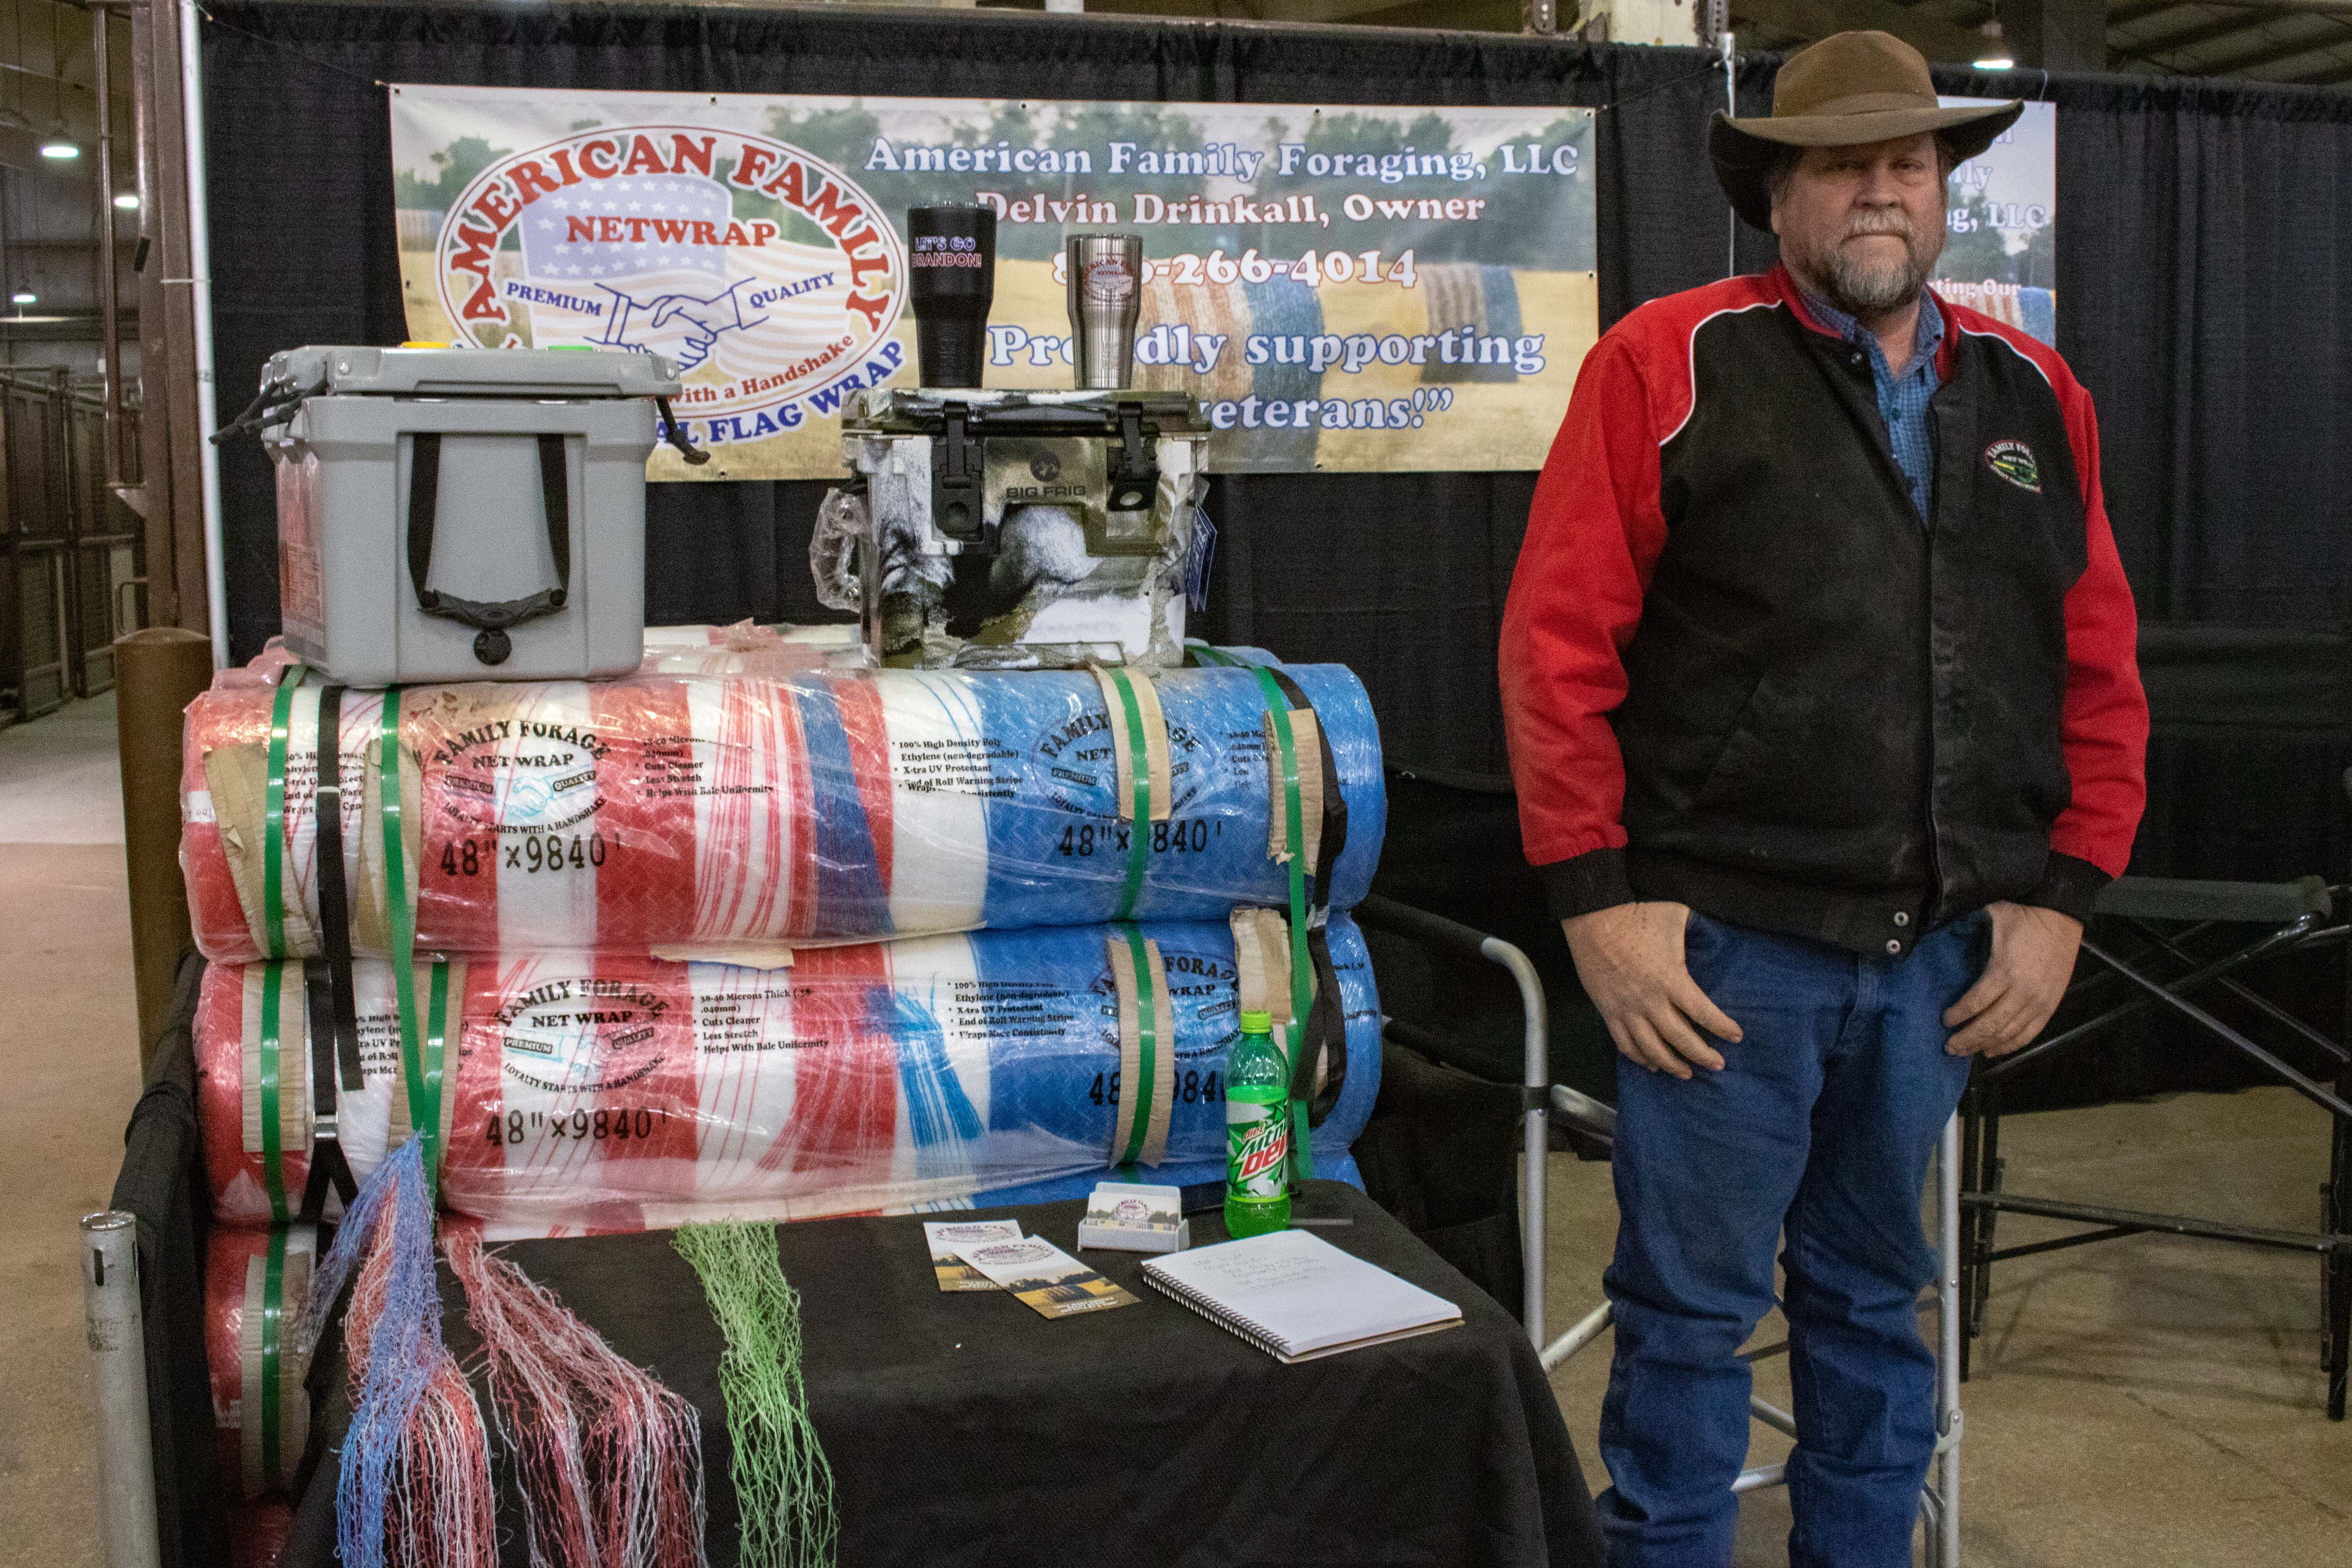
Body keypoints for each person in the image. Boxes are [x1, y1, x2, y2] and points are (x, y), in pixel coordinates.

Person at [1498, 30, 2148, 1568]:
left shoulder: (2038, 392)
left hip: (1940, 963)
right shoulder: (1667, 365)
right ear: (1777, 193)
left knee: (1875, 1309)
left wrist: (2062, 906)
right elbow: (1554, 649)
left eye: (1907, 163)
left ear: (1942, 193)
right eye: (1843, 163)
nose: (1880, 192)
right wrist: (1598, 906)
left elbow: (2099, 670)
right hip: (1723, 959)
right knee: (1689, 1323)